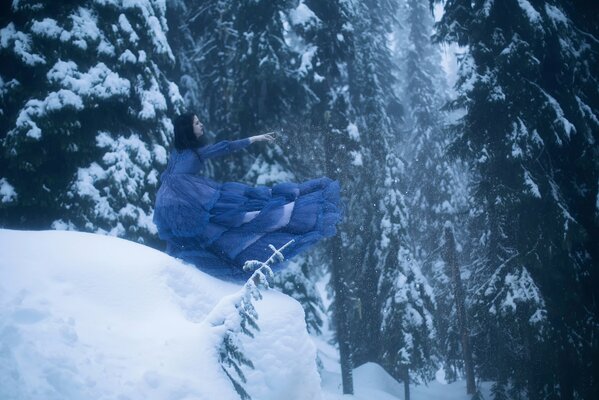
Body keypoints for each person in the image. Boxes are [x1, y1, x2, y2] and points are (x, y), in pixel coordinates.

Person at [153, 112, 342, 281]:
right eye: (196, 123)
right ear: (188, 129)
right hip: (185, 198)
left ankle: (189, 264)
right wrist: (254, 138)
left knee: (205, 229)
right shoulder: (195, 153)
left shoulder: (179, 152)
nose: (201, 125)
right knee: (232, 216)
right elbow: (225, 147)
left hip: (168, 200)